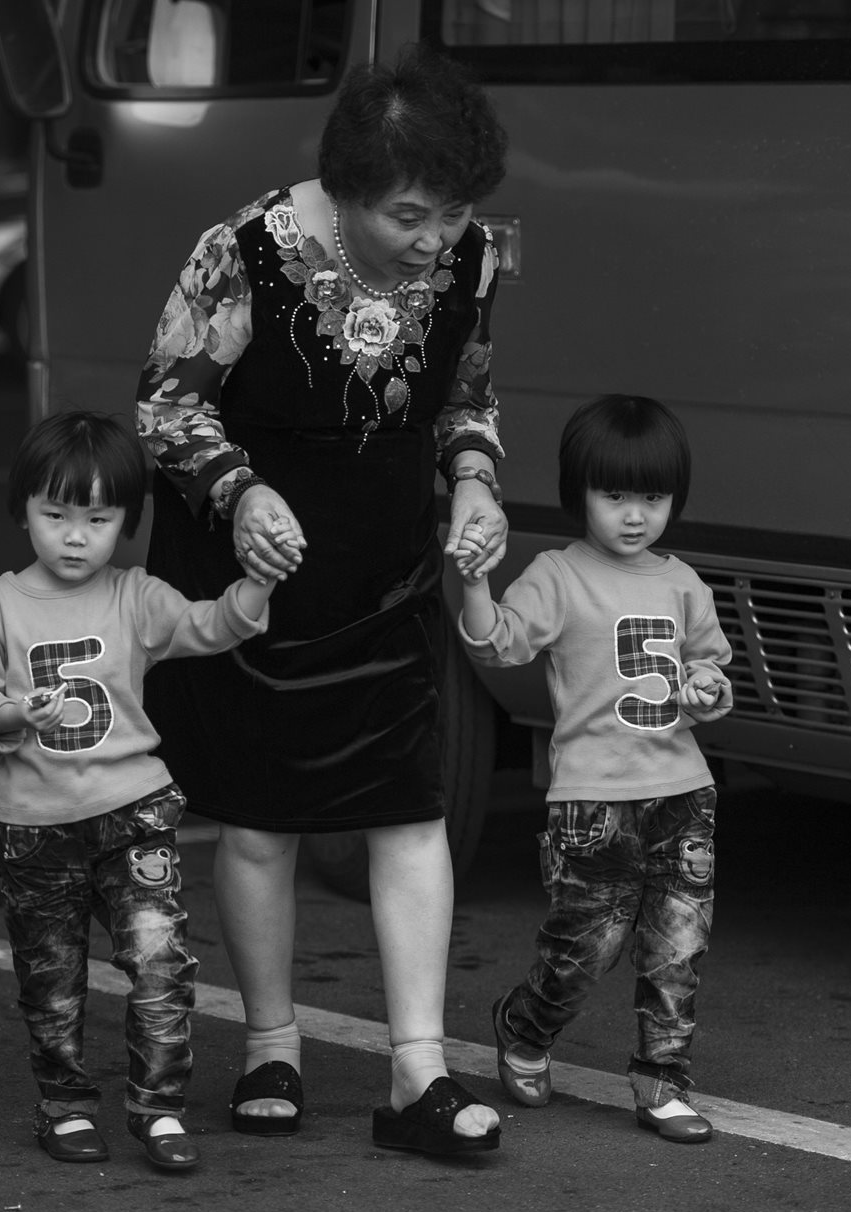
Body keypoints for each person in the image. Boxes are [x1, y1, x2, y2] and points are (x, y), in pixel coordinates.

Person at [135, 47, 510, 1156]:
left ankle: (418, 1073)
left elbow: (467, 395)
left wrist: (476, 478)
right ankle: (271, 1045)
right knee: (261, 822)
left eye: (452, 214)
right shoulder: (243, 249)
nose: (435, 240)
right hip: (260, 572)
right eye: (409, 216)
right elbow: (166, 407)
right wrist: (238, 489)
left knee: (411, 809)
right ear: (346, 190)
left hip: (387, 566)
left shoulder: (474, 256)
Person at [0, 410, 288, 1171]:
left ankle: (159, 1110)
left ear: (126, 522)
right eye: (56, 516)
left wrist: (257, 585)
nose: (75, 537)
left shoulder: (137, 594)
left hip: (135, 813)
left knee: (160, 962)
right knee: (52, 981)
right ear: (23, 511)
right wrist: (11, 712)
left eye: (98, 520)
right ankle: (64, 1107)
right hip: (33, 826)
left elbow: (209, 625)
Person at [450, 394, 734, 1143]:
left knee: (677, 950)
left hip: (684, 795)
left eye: (654, 498)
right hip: (593, 804)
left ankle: (663, 1081)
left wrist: (707, 690)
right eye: (615, 497)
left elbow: (710, 668)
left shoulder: (684, 582)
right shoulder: (557, 575)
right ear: (578, 493)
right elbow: (496, 643)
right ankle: (525, 1024)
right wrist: (475, 583)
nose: (635, 515)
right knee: (586, 950)